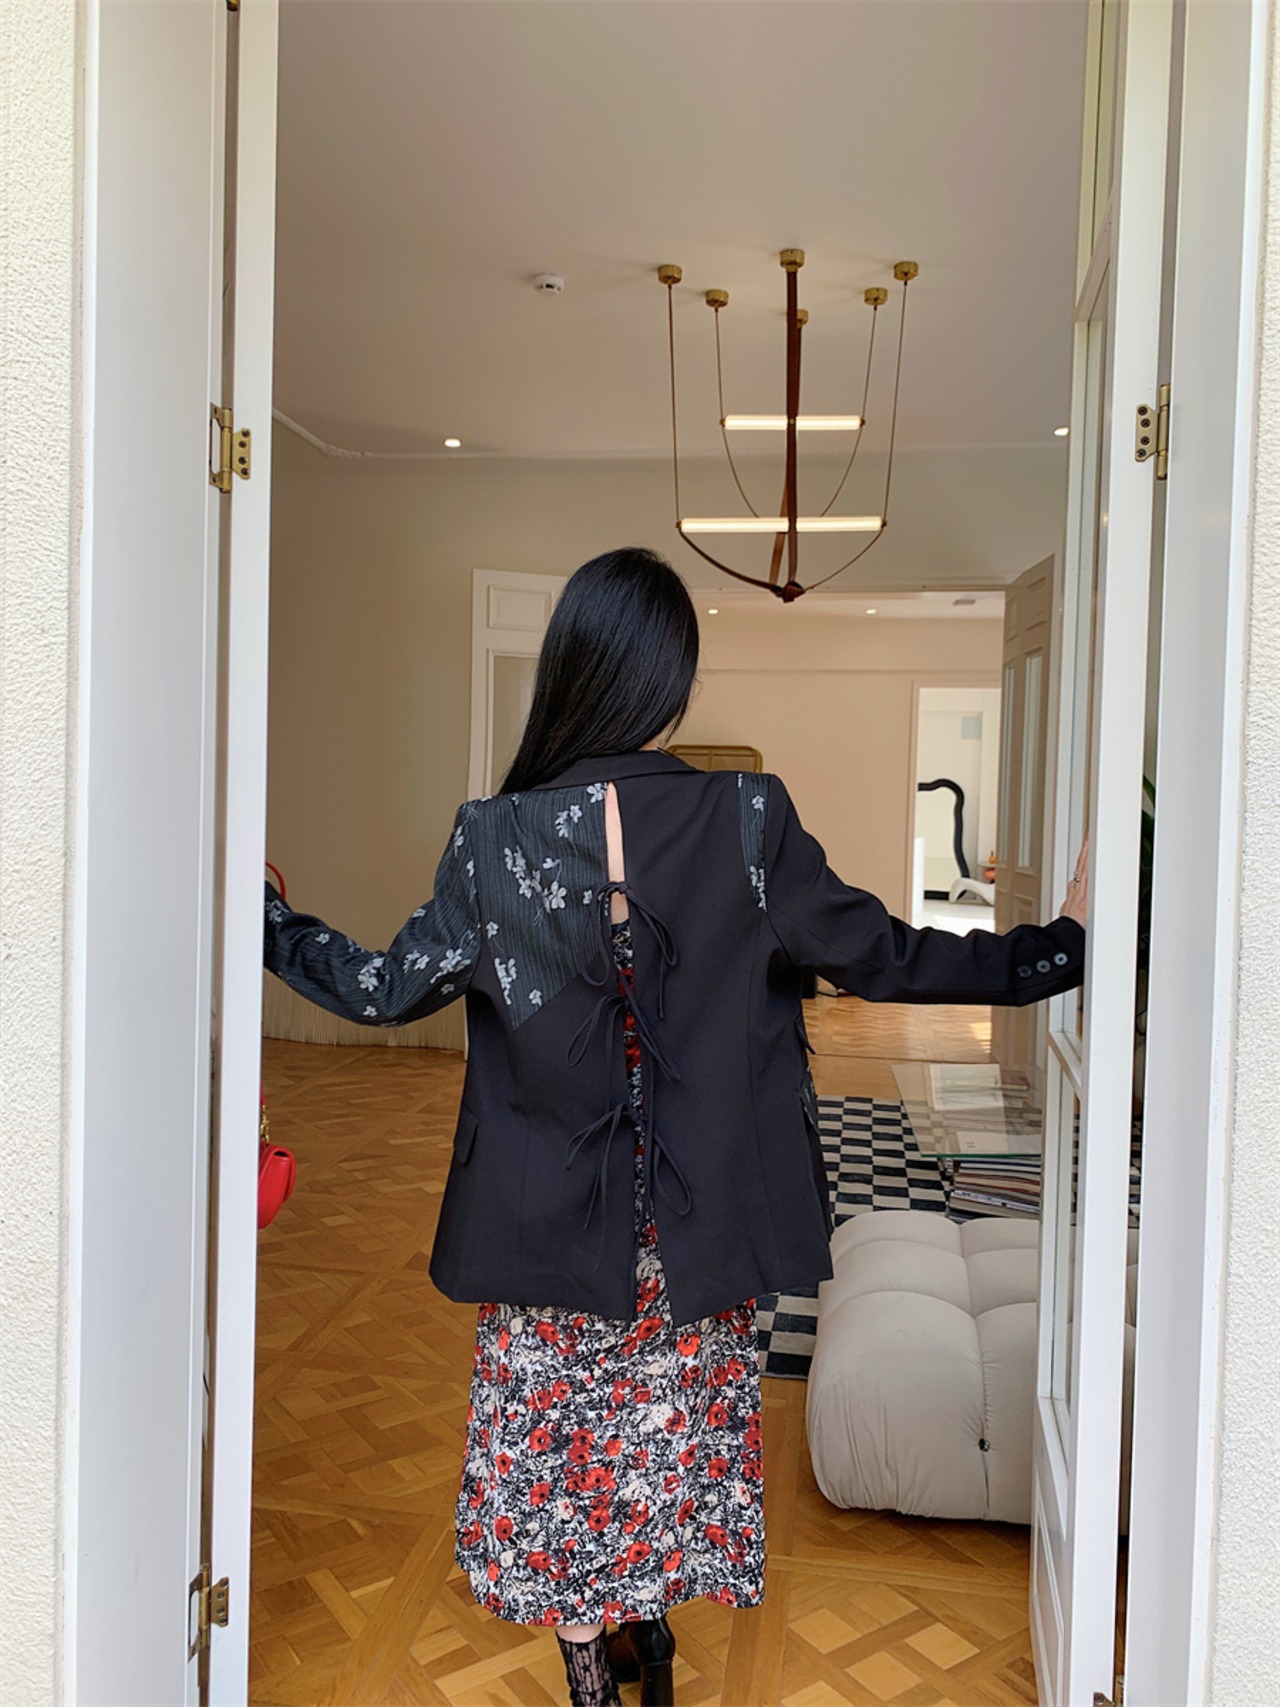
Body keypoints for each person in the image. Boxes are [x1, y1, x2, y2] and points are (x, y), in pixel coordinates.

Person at [263, 547, 1088, 1707]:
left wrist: (269, 920)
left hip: (550, 1235)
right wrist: (1055, 949)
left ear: (569, 672)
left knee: (563, 1462)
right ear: (669, 682)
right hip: (703, 1233)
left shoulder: (492, 837)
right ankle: (650, 1628)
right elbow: (882, 955)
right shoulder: (744, 819)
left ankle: (594, 1675)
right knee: (664, 1438)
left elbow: (380, 990)